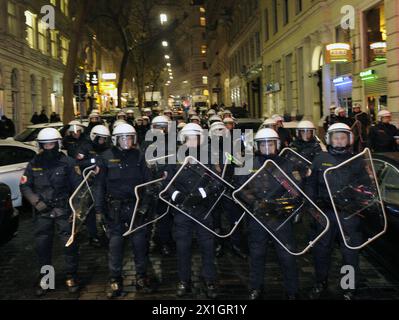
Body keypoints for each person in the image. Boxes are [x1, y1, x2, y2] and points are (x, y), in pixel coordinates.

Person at [237, 128, 299, 300]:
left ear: (276, 145)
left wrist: (282, 204)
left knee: (287, 255)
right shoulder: (247, 162)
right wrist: (253, 202)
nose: (266, 147)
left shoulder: (286, 164)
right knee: (256, 254)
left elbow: (295, 190)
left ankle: (292, 290)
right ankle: (256, 287)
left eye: (270, 144)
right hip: (258, 216)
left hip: (280, 217)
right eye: (263, 144)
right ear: (257, 146)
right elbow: (240, 188)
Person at [306, 123, 365, 300]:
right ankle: (321, 282)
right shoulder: (319, 158)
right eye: (336, 137)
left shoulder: (357, 160)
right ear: (329, 139)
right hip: (325, 213)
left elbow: (366, 187)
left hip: (348, 214)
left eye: (343, 137)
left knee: (349, 251)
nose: (339, 141)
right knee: (322, 250)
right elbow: (310, 185)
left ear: (349, 139)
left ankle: (349, 287)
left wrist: (359, 200)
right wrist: (312, 208)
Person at [94, 124, 154, 298]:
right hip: (115, 209)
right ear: (116, 139)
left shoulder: (140, 156)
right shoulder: (105, 157)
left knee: (140, 244)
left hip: (136, 207)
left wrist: (145, 205)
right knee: (115, 245)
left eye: (129, 137)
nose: (127, 141)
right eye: (123, 138)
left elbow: (149, 185)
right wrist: (99, 211)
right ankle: (115, 279)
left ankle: (142, 276)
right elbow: (99, 187)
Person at [20, 128, 81, 296]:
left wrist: (75, 209)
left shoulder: (68, 162)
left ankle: (72, 276)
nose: (48, 147)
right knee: (43, 247)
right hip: (42, 212)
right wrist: (36, 203)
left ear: (58, 143)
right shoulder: (34, 163)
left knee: (69, 246)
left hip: (63, 209)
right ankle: (47, 279)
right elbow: (25, 185)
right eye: (45, 144)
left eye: (51, 144)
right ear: (40, 145)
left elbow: (78, 188)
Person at [164, 123, 218, 299]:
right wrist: (176, 196)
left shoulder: (209, 156)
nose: (193, 141)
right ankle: (184, 280)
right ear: (184, 139)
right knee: (183, 247)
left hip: (203, 208)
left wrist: (203, 193)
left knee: (207, 246)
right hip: (182, 210)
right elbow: (166, 182)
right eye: (189, 138)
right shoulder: (173, 157)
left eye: (196, 137)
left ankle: (209, 280)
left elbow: (217, 181)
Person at [76, 125, 111, 247]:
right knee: (90, 209)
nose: (102, 141)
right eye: (100, 139)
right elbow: (79, 162)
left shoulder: (107, 147)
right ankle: (93, 235)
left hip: (105, 181)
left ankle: (108, 231)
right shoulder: (85, 146)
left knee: (107, 206)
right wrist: (93, 163)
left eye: (104, 139)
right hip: (90, 182)